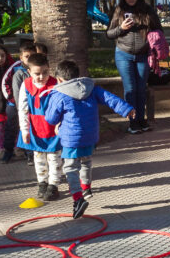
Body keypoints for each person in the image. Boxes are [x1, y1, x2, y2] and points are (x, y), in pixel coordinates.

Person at [45, 60, 134, 218]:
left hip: (72, 139)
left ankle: (78, 199)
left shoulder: (59, 94)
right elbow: (110, 99)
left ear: (59, 79)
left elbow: (51, 119)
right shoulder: (91, 87)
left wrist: (55, 120)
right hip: (91, 135)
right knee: (86, 162)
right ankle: (86, 188)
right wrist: (126, 109)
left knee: (70, 168)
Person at [106, 0, 163, 134]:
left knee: (140, 88)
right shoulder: (120, 10)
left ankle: (141, 119)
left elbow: (159, 29)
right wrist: (121, 28)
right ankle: (133, 121)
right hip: (123, 54)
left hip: (142, 55)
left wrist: (150, 32)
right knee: (130, 89)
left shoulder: (147, 10)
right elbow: (109, 34)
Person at [17, 53, 63, 201]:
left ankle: (53, 185)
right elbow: (23, 108)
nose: (41, 77)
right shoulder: (26, 85)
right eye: (37, 73)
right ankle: (42, 182)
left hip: (52, 128)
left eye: (45, 72)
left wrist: (61, 125)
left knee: (54, 158)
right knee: (39, 158)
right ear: (29, 72)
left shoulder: (55, 84)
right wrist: (24, 130)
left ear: (49, 69)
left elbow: (62, 107)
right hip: (35, 128)